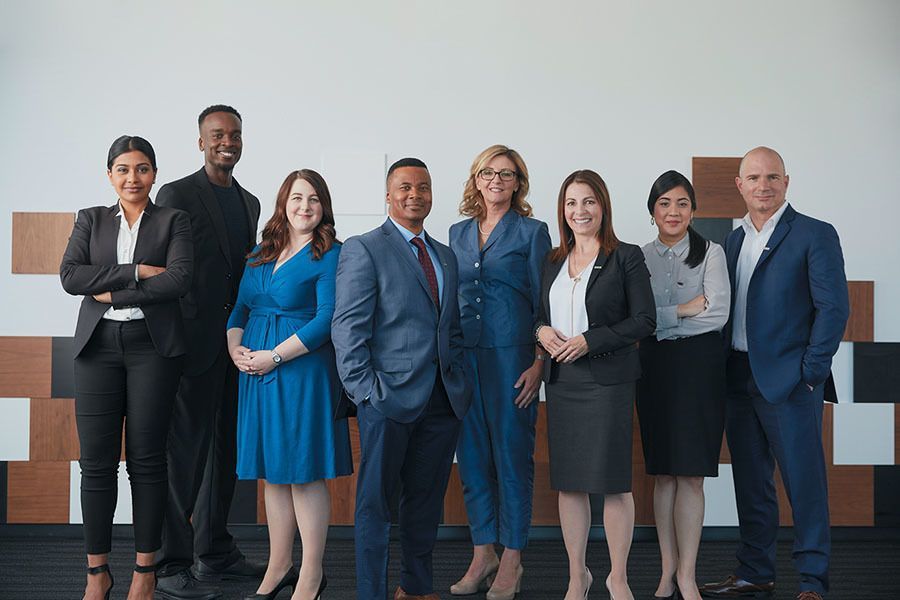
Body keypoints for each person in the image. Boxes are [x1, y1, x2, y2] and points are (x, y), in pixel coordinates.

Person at [699, 147, 849, 600]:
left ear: (787, 182)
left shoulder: (814, 234)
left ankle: (812, 582)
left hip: (791, 383)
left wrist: (810, 373)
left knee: (804, 483)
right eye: (754, 177)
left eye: (772, 177)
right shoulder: (732, 240)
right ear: (739, 185)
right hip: (738, 378)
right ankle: (755, 571)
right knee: (751, 483)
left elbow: (834, 308)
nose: (763, 185)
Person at [332, 158, 471, 600]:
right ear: (389, 196)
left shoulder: (445, 254)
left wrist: (459, 380)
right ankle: (371, 592)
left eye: (424, 187)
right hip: (387, 400)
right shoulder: (365, 247)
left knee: (425, 504)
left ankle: (415, 588)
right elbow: (347, 328)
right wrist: (366, 392)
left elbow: (451, 328)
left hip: (442, 401)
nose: (416, 195)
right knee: (375, 506)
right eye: (406, 187)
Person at [60, 135, 192, 600]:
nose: (132, 178)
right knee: (95, 464)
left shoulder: (174, 219)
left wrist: (112, 289)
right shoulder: (90, 219)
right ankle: (97, 572)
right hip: (97, 348)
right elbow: (71, 276)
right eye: (122, 169)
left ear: (153, 173)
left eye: (141, 169)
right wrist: (137, 271)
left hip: (152, 348)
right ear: (110, 174)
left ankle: (144, 570)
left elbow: (178, 280)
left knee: (147, 461)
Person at [226, 169, 352, 600]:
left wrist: (274, 355)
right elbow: (240, 307)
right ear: (284, 203)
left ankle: (312, 575)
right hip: (255, 369)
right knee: (273, 474)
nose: (305, 206)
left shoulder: (331, 253)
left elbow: (325, 320)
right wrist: (234, 349)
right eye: (297, 198)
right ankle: (280, 565)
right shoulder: (262, 251)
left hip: (300, 371)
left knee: (303, 472)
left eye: (314, 199)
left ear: (324, 207)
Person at [155, 105, 263, 600]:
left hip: (235, 347)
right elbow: (162, 270)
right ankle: (170, 563)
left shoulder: (251, 202)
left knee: (226, 453)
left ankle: (214, 550)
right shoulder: (176, 194)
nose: (228, 141)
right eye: (218, 134)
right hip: (190, 346)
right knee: (184, 456)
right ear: (201, 142)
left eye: (235, 134)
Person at [536, 169, 655, 600]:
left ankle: (617, 577)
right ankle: (577, 576)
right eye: (571, 203)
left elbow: (644, 320)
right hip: (563, 381)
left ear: (603, 206)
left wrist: (590, 340)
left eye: (588, 201)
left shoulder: (626, 257)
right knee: (570, 482)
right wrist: (540, 332)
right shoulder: (551, 260)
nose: (579, 211)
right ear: (562, 210)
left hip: (607, 381)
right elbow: (537, 314)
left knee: (612, 483)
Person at [447, 144, 551, 600]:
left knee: (511, 457)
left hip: (513, 359)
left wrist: (539, 363)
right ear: (476, 179)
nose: (496, 181)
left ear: (518, 183)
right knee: (471, 460)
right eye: (488, 173)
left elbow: (543, 301)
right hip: (463, 359)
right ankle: (482, 550)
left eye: (506, 175)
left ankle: (512, 557)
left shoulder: (533, 232)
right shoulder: (456, 232)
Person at [636, 170, 730, 600]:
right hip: (653, 370)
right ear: (652, 210)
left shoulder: (712, 252)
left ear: (693, 210)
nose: (673, 212)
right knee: (663, 475)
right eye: (664, 203)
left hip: (699, 369)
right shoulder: (636, 258)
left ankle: (688, 574)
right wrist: (684, 310)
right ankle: (666, 571)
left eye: (682, 204)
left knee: (691, 475)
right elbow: (634, 320)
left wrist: (663, 319)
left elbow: (718, 314)